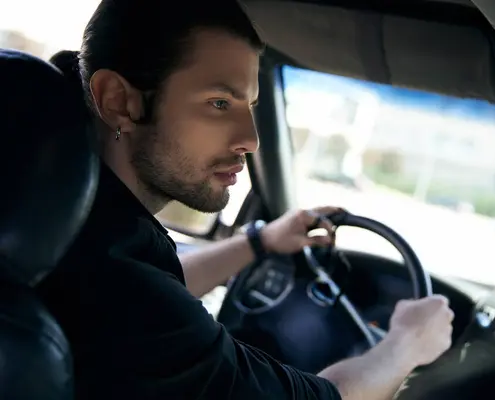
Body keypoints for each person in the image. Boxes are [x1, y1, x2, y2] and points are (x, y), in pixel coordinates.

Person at [37, 1, 454, 399]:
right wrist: (406, 344)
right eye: (220, 103)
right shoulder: (120, 286)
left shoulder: (58, 212)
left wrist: (260, 242)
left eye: (250, 106)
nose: (250, 140)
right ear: (117, 100)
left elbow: (151, 289)